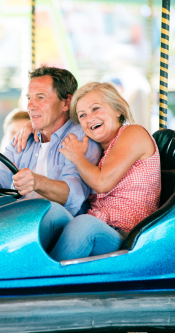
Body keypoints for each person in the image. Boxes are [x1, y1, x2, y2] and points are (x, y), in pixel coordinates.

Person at [0, 66, 102, 250]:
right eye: (29, 98)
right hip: (23, 223)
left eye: (41, 97)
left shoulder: (79, 138)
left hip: (64, 226)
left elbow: (73, 196)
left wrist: (37, 182)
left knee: (48, 208)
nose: (31, 106)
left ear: (66, 102)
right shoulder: (24, 138)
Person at [49, 82, 161, 261]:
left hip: (127, 236)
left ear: (117, 110)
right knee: (50, 211)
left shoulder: (134, 133)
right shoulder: (99, 150)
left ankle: (36, 285)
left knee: (84, 225)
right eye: (82, 115)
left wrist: (77, 156)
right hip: (100, 223)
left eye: (95, 109)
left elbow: (102, 183)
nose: (89, 118)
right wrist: (31, 128)